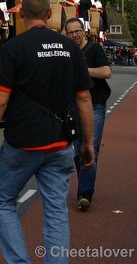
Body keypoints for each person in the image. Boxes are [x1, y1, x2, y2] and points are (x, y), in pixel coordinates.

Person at [0, 0, 94, 263]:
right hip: (61, 143)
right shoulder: (70, 49)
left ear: (22, 14)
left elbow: (0, 100)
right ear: (50, 15)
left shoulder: (14, 48)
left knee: (3, 200)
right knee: (56, 211)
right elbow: (84, 98)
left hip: (23, 143)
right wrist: (87, 143)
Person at [64, 17, 112, 212]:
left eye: (77, 31)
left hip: (95, 105)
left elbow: (107, 72)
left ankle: (85, 193)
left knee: (91, 146)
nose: (75, 35)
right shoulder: (66, 53)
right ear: (66, 35)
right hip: (73, 106)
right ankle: (85, 185)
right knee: (76, 149)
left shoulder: (94, 50)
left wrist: (84, 70)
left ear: (84, 31)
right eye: (70, 32)